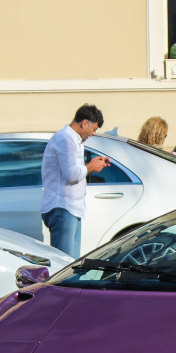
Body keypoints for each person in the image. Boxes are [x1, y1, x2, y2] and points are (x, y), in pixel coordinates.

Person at [41, 104, 111, 257]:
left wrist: (90, 165)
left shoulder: (73, 140)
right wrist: (91, 166)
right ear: (85, 123)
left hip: (71, 207)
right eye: (94, 129)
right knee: (63, 263)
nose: (94, 134)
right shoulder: (65, 139)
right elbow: (71, 174)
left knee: (71, 263)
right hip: (62, 207)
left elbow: (74, 171)